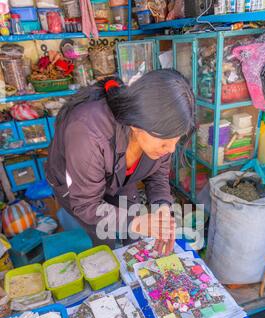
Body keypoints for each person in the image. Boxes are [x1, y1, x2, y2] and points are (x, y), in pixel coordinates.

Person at [47, 69, 195, 253]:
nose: (171, 149)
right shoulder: (87, 134)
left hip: (120, 176)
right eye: (165, 142)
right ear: (136, 125)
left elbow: (158, 177)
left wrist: (161, 207)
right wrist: (135, 222)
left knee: (132, 228)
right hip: (79, 187)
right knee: (102, 236)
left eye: (177, 139)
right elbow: (87, 204)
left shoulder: (161, 133)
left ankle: (130, 260)